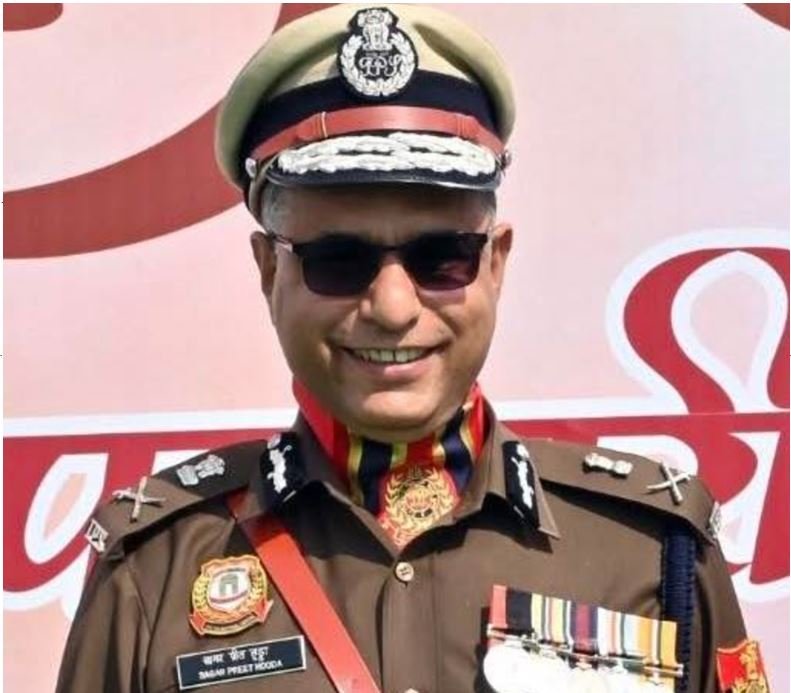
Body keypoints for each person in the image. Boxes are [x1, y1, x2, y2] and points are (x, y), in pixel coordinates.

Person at [56, 5, 767, 692]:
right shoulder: (153, 568)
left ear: (495, 264)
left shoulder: (651, 549)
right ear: (270, 271)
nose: (393, 308)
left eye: (441, 257)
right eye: (338, 261)